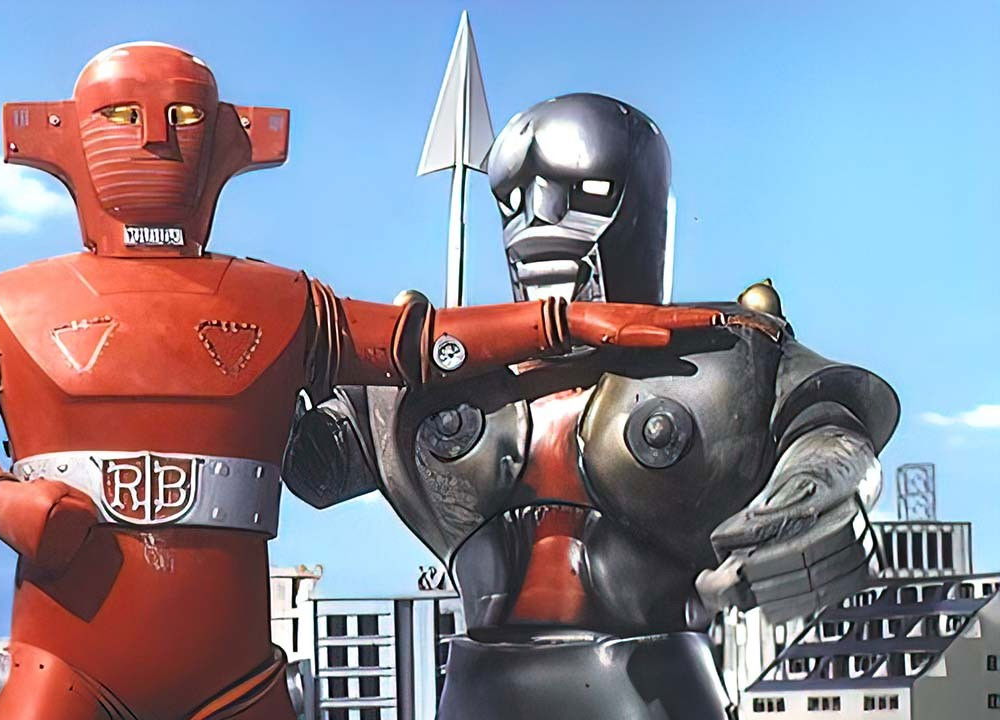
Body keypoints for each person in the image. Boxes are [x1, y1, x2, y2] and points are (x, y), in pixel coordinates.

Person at [0, 49, 720, 720]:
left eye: (183, 117)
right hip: (63, 665)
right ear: (65, 134)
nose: (155, 141)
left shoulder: (280, 302)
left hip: (233, 676)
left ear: (227, 136)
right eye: (122, 117)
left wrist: (560, 322)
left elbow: (416, 344)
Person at [283, 93, 897, 720]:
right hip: (483, 691)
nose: (540, 220)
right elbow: (314, 463)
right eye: (514, 201)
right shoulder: (436, 377)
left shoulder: (724, 360)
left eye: (585, 192)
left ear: (641, 205)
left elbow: (827, 429)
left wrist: (806, 496)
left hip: (651, 689)